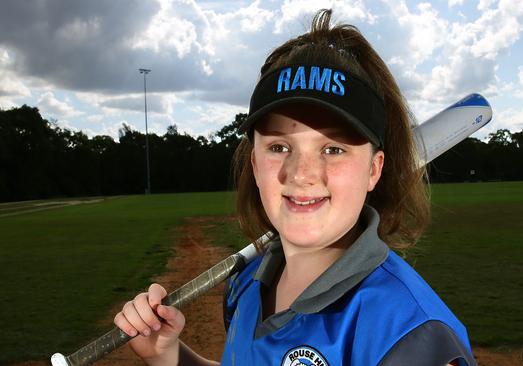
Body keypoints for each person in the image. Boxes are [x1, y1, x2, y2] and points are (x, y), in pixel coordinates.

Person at [114, 9, 477, 366]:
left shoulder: (408, 334)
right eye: (279, 147)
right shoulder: (246, 284)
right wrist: (169, 355)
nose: (301, 173)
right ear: (255, 165)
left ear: (374, 169)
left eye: (333, 149)